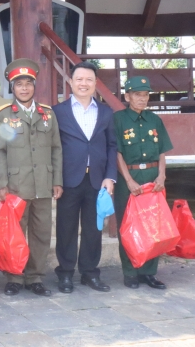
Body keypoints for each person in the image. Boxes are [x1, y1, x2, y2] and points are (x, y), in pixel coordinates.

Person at [0, 58, 63, 297]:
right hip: (16, 186)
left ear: (34, 86)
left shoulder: (48, 115)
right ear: (12, 88)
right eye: (19, 84)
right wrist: (2, 183)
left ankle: (35, 277)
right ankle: (14, 277)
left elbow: (56, 149)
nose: (24, 88)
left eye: (28, 83)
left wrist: (57, 181)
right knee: (15, 234)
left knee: (41, 233)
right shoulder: (4, 115)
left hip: (43, 184)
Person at [52, 62, 116, 294]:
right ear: (70, 82)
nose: (83, 84)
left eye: (89, 80)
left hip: (97, 181)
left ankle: (89, 273)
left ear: (95, 84)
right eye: (79, 79)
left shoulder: (106, 112)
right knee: (66, 228)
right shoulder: (57, 112)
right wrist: (55, 179)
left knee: (93, 229)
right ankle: (66, 273)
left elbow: (111, 146)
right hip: (68, 181)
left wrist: (110, 177)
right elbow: (53, 148)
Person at [113, 76, 173, 290]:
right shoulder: (118, 119)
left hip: (152, 178)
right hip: (128, 181)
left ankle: (149, 272)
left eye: (145, 94)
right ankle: (130, 272)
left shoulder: (155, 119)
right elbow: (117, 152)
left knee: (153, 227)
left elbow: (162, 151)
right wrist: (128, 181)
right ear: (127, 96)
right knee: (127, 227)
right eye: (137, 94)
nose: (142, 99)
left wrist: (162, 176)